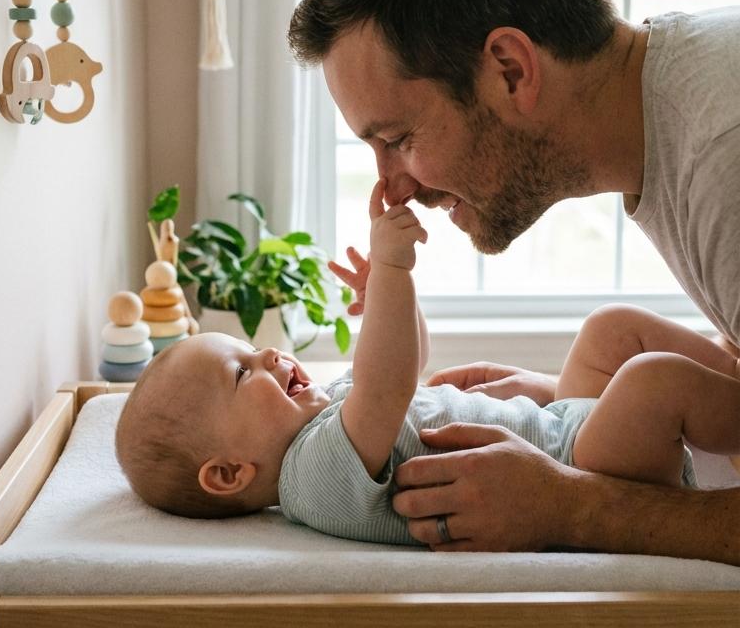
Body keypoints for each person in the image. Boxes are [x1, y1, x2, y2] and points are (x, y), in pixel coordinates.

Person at [287, 0, 740, 564]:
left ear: (508, 68)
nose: (393, 187)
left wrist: (569, 504)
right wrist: (560, 410)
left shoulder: (722, 158)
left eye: (399, 138)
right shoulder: (681, 110)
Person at [115, 184, 740, 545]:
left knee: (608, 330)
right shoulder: (310, 479)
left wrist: (385, 307)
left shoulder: (325, 416)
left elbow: (406, 366)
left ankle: (728, 375)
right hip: (583, 463)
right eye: (243, 372)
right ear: (228, 473)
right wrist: (391, 272)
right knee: (649, 381)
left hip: (564, 424)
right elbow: (386, 388)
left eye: (251, 348)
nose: (269, 353)